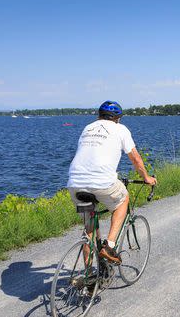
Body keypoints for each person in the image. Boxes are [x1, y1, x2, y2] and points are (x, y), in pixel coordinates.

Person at [67, 100, 157, 264]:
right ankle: (109, 245)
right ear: (117, 118)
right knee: (123, 199)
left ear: (99, 116)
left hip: (75, 183)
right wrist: (146, 178)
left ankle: (90, 276)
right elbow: (135, 159)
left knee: (90, 230)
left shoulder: (88, 128)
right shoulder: (120, 129)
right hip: (102, 182)